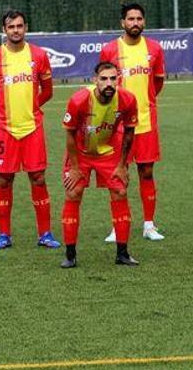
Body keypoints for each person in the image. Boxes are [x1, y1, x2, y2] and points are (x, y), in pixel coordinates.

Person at [0, 10, 60, 250]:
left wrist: (32, 108)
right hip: (5, 129)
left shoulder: (39, 56)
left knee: (38, 177)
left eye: (19, 26)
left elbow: (47, 90)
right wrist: (3, 114)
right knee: (4, 180)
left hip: (32, 127)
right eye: (11, 26)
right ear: (4, 30)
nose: (16, 30)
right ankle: (4, 234)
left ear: (26, 27)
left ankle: (45, 233)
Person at [60, 62, 140, 268]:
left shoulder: (128, 99)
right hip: (80, 153)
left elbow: (129, 133)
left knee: (120, 192)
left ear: (118, 79)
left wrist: (123, 165)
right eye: (104, 79)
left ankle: (122, 253)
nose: (109, 83)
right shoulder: (79, 100)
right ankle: (70, 255)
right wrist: (75, 168)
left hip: (109, 152)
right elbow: (69, 134)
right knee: (73, 192)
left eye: (113, 78)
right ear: (95, 80)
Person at [99, 3, 166, 242]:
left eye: (139, 18)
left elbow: (156, 83)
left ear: (144, 22)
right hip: (117, 126)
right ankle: (118, 225)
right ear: (122, 23)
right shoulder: (109, 50)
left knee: (146, 172)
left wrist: (144, 104)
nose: (135, 23)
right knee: (118, 174)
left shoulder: (155, 49)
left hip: (146, 122)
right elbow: (104, 87)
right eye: (130, 19)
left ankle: (149, 225)